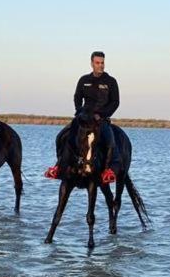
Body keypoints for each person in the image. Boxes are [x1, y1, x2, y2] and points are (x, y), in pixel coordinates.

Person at [45, 50, 120, 181]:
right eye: (97, 63)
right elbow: (77, 97)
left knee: (110, 142)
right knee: (61, 136)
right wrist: (80, 112)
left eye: (102, 63)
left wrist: (102, 114)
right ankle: (58, 166)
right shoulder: (84, 80)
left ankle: (108, 170)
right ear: (92, 63)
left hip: (101, 120)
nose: (100, 65)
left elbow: (115, 102)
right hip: (84, 119)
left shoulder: (111, 81)